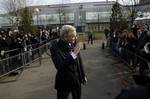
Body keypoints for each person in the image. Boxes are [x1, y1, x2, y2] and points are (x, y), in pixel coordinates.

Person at [50, 25, 87, 99]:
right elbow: (60, 66)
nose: (75, 38)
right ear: (65, 36)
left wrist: (82, 75)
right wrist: (74, 54)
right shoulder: (55, 48)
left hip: (76, 80)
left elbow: (79, 61)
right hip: (64, 82)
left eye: (75, 36)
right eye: (73, 36)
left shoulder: (73, 44)